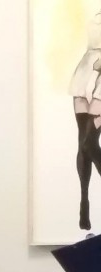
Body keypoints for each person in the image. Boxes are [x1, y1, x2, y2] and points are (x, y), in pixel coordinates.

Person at [69, 9, 101, 230]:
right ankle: (84, 203)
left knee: (90, 142)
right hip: (85, 71)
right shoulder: (93, 14)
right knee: (82, 143)